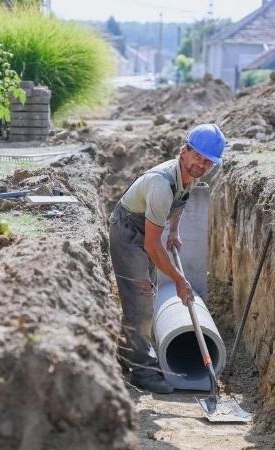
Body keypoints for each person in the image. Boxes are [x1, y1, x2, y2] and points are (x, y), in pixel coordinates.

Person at [109, 123, 225, 394]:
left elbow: (181, 201)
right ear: (184, 151)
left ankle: (128, 353)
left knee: (146, 297)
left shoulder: (189, 175)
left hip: (144, 229)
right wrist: (179, 279)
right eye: (198, 156)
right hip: (128, 233)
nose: (202, 164)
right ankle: (142, 372)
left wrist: (173, 231)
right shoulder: (162, 184)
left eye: (208, 161)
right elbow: (151, 244)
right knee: (140, 302)